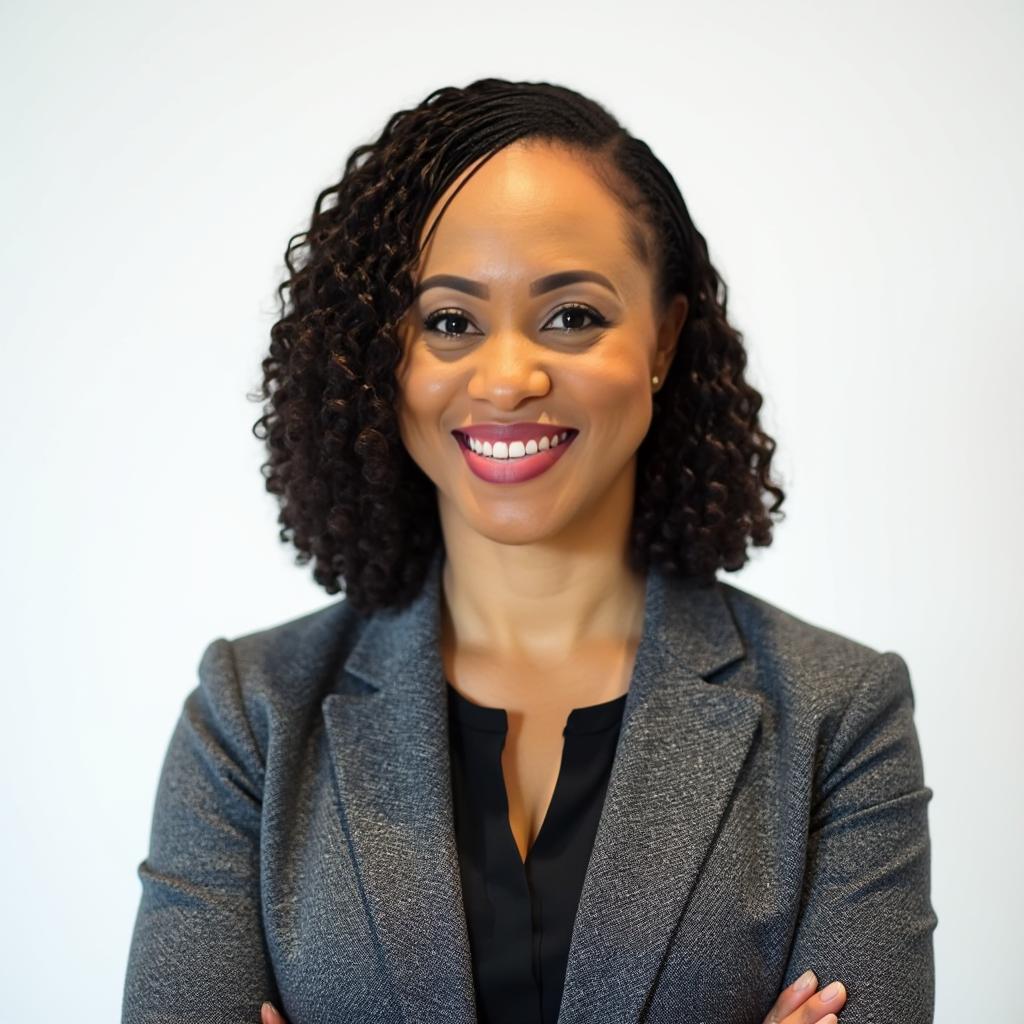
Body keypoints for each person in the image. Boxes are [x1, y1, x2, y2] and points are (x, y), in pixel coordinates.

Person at [121, 78, 937, 1024]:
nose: (508, 378)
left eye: (573, 315)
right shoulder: (251, 718)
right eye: (449, 322)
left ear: (663, 338)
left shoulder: (839, 716)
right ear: (381, 356)